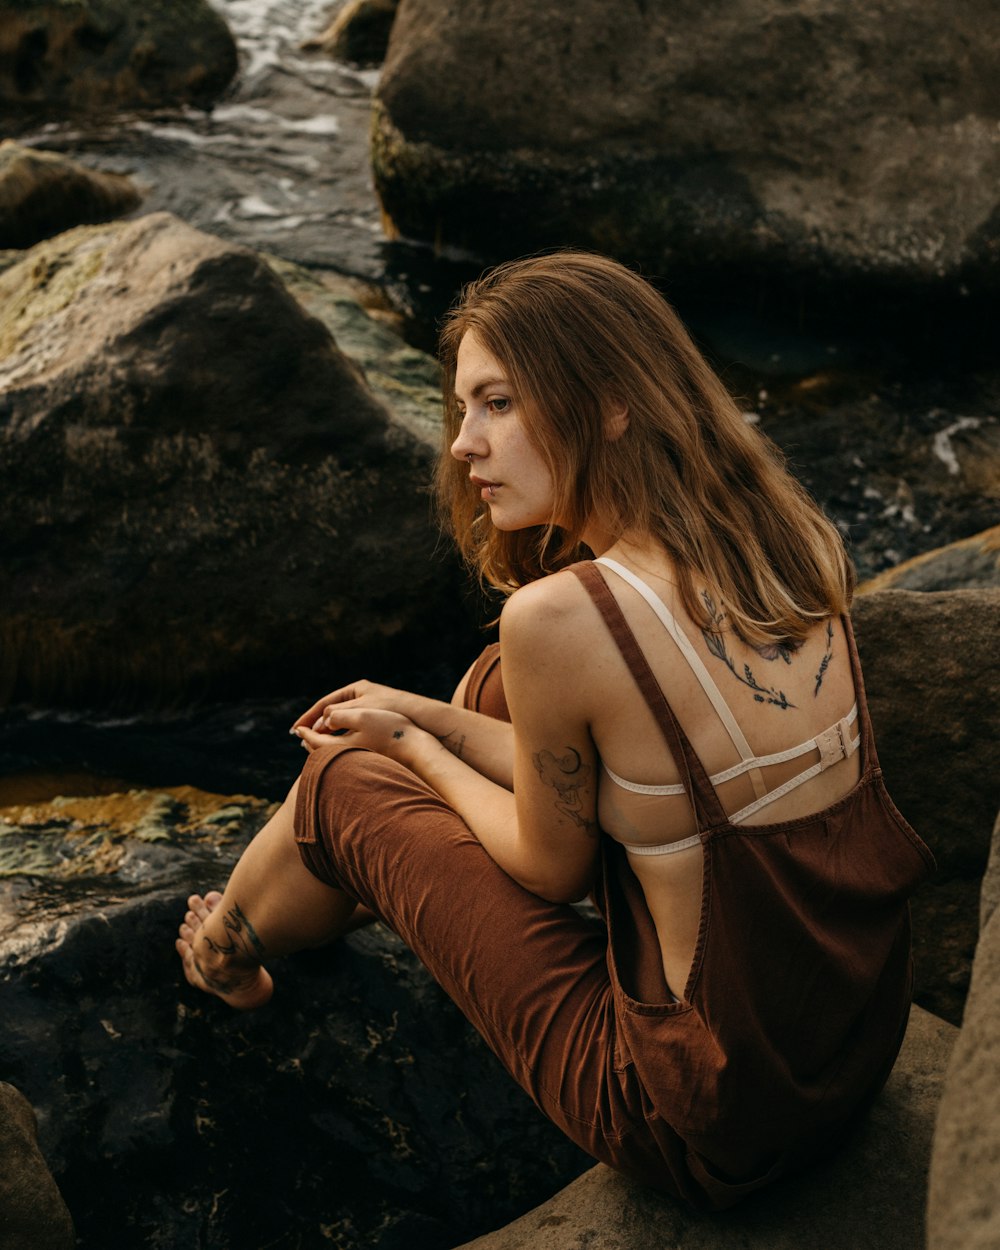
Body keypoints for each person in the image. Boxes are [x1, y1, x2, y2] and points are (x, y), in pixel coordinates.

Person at [176, 252, 933, 1210]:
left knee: (343, 784)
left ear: (612, 404)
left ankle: (226, 953)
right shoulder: (791, 539)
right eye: (463, 409)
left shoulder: (567, 620)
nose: (462, 444)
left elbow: (553, 869)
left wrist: (407, 749)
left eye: (497, 403)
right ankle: (356, 880)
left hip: (702, 1119)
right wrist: (435, 717)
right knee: (490, 692)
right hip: (847, 1057)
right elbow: (646, 784)